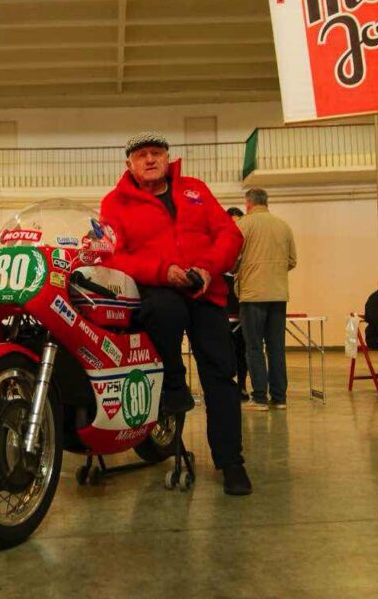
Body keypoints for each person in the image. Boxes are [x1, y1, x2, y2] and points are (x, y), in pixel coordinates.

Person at [100, 131, 250, 496]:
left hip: (205, 292)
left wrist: (207, 268)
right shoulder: (114, 203)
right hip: (158, 291)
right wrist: (162, 271)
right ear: (129, 164)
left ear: (168, 158)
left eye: (157, 153)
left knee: (221, 375)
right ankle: (172, 383)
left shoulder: (195, 189)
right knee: (162, 312)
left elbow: (230, 235)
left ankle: (231, 462)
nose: (150, 159)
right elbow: (112, 256)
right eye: (142, 155)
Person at [236, 188, 297, 411]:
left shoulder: (243, 225)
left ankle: (259, 397)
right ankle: (279, 398)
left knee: (254, 347)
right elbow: (292, 260)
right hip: (279, 294)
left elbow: (232, 258)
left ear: (248, 204)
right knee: (276, 348)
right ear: (266, 202)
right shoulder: (283, 226)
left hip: (252, 294)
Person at [223, 208, 248, 401]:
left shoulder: (247, 248)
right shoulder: (220, 246)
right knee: (225, 351)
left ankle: (242, 386)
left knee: (243, 350)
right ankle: (226, 386)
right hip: (224, 310)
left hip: (243, 307)